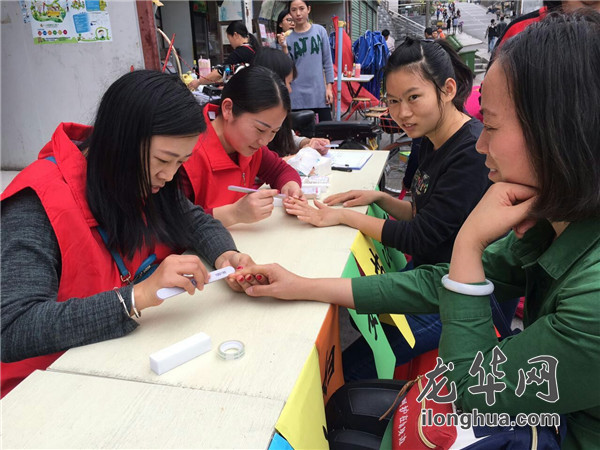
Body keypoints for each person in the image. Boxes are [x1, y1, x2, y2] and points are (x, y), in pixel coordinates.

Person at [236, 12, 600, 449]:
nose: (482, 143)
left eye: (493, 125)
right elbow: (434, 280)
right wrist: (300, 285)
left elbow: (466, 394)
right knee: (347, 405)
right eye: (393, 101)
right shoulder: (552, 223)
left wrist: (468, 243)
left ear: (560, 133)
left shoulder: (591, 301)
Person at [0, 70, 255, 398]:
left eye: (181, 162)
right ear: (119, 143)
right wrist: (136, 297)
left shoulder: (147, 179)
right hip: (43, 389)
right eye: (163, 160)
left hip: (120, 365)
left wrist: (227, 256)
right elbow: (14, 327)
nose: (169, 175)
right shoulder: (36, 205)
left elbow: (196, 221)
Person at [282, 37, 490, 378]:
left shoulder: (470, 152)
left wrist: (342, 216)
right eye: (393, 101)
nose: (402, 113)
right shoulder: (431, 136)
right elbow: (424, 215)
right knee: (355, 316)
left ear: (448, 89)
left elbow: (419, 236)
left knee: (350, 370)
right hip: (428, 274)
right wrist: (380, 199)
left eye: (413, 97)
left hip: (456, 295)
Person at [180, 65, 303, 228]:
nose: (264, 141)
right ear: (228, 109)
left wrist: (290, 186)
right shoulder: (185, 154)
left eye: (274, 132)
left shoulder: (249, 147)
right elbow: (174, 223)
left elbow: (279, 170)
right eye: (260, 129)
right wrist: (234, 214)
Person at [253, 47, 330, 156]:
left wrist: (309, 142)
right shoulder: (255, 120)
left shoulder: (277, 111)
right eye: (289, 83)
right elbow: (263, 162)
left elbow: (288, 136)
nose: (290, 90)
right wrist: (299, 156)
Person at [286, 0, 335, 122]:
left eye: (301, 8)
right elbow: (287, 68)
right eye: (294, 10)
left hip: (319, 94)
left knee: (326, 131)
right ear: (290, 13)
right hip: (297, 97)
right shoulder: (287, 38)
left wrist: (329, 88)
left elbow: (327, 61)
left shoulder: (320, 31)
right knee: (300, 132)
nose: (298, 13)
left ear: (308, 9)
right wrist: (283, 48)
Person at [188, 21, 258, 89]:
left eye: (229, 39)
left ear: (235, 35)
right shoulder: (254, 48)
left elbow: (219, 73)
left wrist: (199, 82)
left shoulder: (240, 52)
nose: (230, 43)